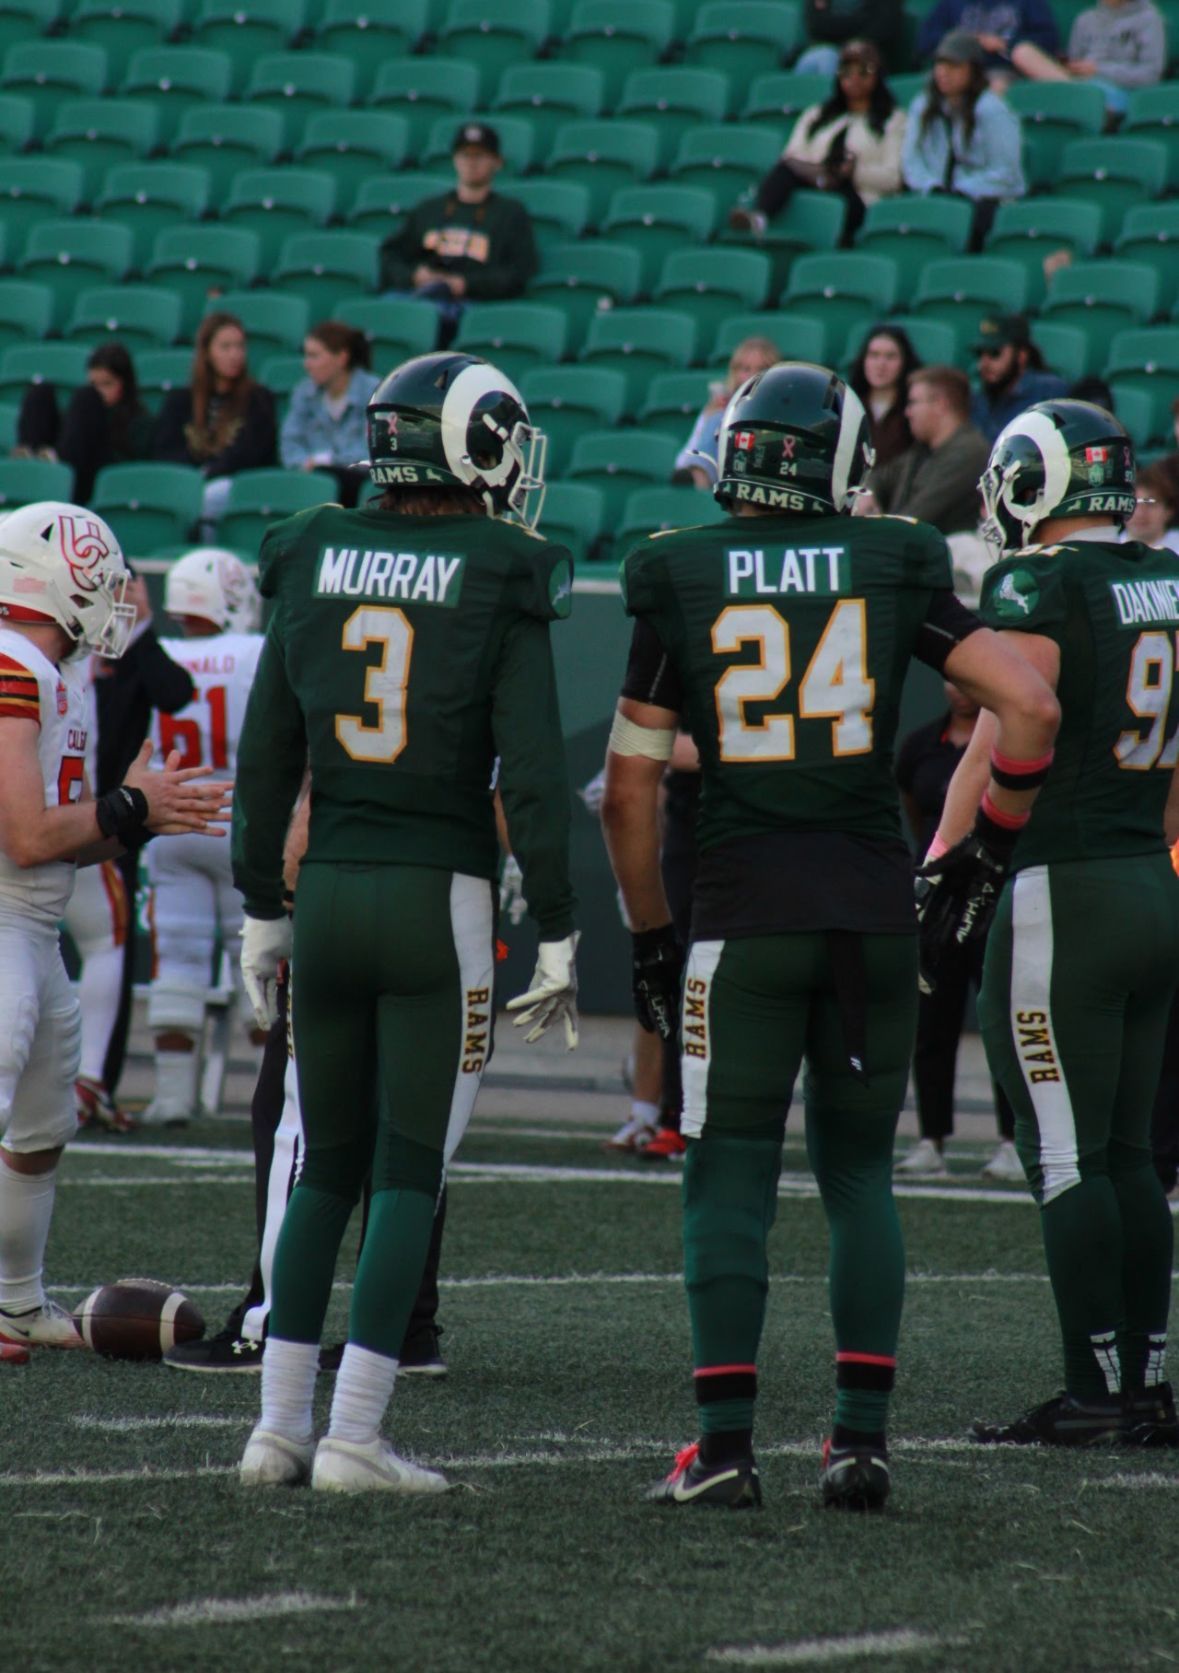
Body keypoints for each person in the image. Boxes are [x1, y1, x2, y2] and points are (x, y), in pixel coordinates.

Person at [600, 359, 1059, 1513]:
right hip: (869, 910)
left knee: (728, 1173)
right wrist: (983, 849)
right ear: (844, 463)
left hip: (745, 918)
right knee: (860, 1174)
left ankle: (722, 1445)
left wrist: (651, 934)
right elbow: (1032, 708)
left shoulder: (675, 568)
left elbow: (627, 790)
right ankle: (860, 1440)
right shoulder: (898, 555)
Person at [233, 350, 578, 1495]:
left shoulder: (311, 545)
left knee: (322, 1163)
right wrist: (563, 920)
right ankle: (354, 1433)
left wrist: (259, 906)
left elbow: (268, 753)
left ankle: (277, 1425)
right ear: (474, 443)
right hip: (439, 897)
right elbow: (530, 773)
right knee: (403, 1172)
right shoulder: (502, 568)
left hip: (326, 890)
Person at [920, 397, 1179, 1448]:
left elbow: (1000, 732)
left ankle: (1093, 1387)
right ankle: (1145, 1382)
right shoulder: (1165, 580)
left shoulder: (1043, 579)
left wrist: (947, 860)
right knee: (1128, 1154)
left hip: (1060, 886)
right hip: (1147, 881)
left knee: (1066, 1153)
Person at [0, 501, 230, 1359]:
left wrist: (140, 816)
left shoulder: (53, 670)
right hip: (5, 917)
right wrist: (128, 803)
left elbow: (69, 828)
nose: (117, 594)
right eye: (101, 578)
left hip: (32, 920)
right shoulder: (13, 664)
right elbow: (23, 834)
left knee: (42, 1125)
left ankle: (17, 1302)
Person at [166, 796, 450, 1375]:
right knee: (417, 1131)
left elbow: (306, 785)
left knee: (290, 1115)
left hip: (349, 895)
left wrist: (278, 905)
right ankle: (405, 1332)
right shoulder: (484, 702)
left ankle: (266, 1325)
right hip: (453, 906)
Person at [142, 548, 265, 1126]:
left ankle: (170, 1097)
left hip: (170, 820)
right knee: (261, 960)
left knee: (178, 960)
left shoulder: (155, 655)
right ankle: (273, 1096)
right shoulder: (255, 653)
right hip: (240, 818)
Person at [894, 681, 1020, 1180]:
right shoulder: (921, 746)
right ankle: (931, 1138)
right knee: (932, 1025)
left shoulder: (1012, 736)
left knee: (1003, 1023)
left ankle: (1012, 1139)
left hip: (993, 898)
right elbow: (913, 808)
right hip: (942, 905)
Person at [378, 124, 538, 348]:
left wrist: (464, 284)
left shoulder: (510, 213)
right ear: (454, 159)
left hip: (474, 304)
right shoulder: (429, 209)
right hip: (423, 296)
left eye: (480, 155)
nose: (471, 162)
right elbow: (390, 255)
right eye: (465, 155)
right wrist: (415, 275)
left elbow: (518, 272)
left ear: (497, 162)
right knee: (386, 311)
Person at [729, 41, 905, 244]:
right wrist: (820, 171)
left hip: (857, 195)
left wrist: (855, 171)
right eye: (846, 70)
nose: (854, 77)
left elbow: (893, 178)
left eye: (864, 70)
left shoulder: (894, 119)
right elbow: (792, 154)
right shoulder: (817, 114)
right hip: (815, 180)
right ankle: (759, 217)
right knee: (784, 169)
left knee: (840, 199)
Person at [902, 32, 1025, 249]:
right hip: (935, 195)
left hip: (983, 199)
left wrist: (962, 190)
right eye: (939, 64)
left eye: (953, 65)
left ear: (972, 69)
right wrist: (932, 187)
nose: (943, 72)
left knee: (970, 219)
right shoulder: (923, 105)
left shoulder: (993, 110)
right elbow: (911, 161)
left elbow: (1006, 171)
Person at [154, 312, 277, 530]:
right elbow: (166, 450)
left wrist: (209, 473)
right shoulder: (180, 400)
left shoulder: (258, 400)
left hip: (238, 486)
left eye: (240, 347)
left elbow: (248, 454)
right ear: (207, 352)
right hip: (189, 482)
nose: (235, 355)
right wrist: (194, 476)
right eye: (226, 347)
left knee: (211, 496)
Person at [15, 343, 155, 505]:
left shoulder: (140, 420)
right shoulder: (82, 414)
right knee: (40, 393)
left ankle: (58, 466)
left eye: (107, 384)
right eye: (94, 384)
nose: (99, 392)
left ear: (124, 384)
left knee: (86, 398)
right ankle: (30, 462)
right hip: (72, 458)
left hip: (97, 479)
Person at [858, 365, 991, 535]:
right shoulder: (922, 450)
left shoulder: (970, 453)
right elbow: (880, 476)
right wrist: (867, 494)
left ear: (940, 405)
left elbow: (916, 518)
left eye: (913, 402)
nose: (908, 412)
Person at [280, 322, 380, 510]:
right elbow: (290, 443)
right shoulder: (304, 392)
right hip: (309, 485)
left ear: (341, 358)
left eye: (314, 356)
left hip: (355, 486)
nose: (306, 364)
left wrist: (325, 462)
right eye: (306, 355)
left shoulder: (374, 391)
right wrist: (304, 464)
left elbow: (370, 452)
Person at [675, 337, 781, 489]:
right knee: (718, 420)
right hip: (720, 484)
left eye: (762, 368)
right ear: (735, 373)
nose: (753, 376)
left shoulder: (782, 409)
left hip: (760, 478)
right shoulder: (719, 413)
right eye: (746, 369)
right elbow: (681, 464)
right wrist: (706, 417)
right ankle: (701, 478)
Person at [1029, 0, 1166, 115]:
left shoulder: (1149, 19)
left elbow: (1150, 75)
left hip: (1125, 93)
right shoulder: (1085, 20)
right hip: (1081, 88)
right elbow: (1073, 65)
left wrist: (1098, 70)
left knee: (1089, 102)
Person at [971, 314, 1069, 443]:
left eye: (995, 352)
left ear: (1021, 356)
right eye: (980, 354)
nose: (984, 363)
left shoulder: (1048, 393)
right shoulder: (981, 398)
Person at [916, 2, 1060, 82]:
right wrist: (965, 40)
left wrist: (1004, 43)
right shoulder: (951, 4)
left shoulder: (1027, 3)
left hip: (1003, 69)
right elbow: (925, 41)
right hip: (960, 67)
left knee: (995, 86)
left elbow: (1049, 40)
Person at [847, 324, 922, 469]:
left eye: (890, 356)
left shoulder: (915, 408)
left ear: (904, 362)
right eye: (874, 355)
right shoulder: (850, 405)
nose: (881, 364)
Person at [797, 0, 903, 76]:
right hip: (822, 49)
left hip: (868, 53)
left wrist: (840, 27)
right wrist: (861, 20)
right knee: (825, 56)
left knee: (848, 59)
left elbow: (883, 28)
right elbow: (818, 24)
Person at [1124, 464, 1179, 555]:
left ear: (1169, 510)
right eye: (1133, 503)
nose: (1140, 513)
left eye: (1150, 504)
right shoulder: (1108, 546)